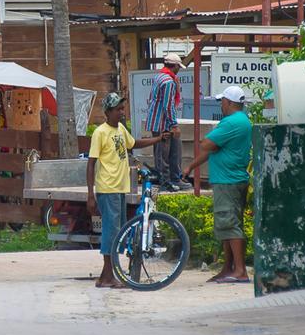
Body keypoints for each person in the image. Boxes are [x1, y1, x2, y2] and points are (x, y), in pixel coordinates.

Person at [86, 93, 169, 288]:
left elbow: (133, 144)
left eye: (122, 109)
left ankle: (105, 277)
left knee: (119, 231)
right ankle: (110, 275)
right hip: (108, 188)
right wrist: (91, 194)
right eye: (118, 109)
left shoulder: (121, 129)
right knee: (111, 232)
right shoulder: (101, 133)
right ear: (107, 112)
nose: (122, 112)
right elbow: (90, 164)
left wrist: (157, 139)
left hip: (120, 187)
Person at [183, 86, 253, 284]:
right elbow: (211, 149)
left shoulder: (231, 122)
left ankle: (240, 270)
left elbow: (205, 144)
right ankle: (227, 268)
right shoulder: (242, 121)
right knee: (226, 225)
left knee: (229, 224)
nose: (220, 104)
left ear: (229, 103)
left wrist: (203, 140)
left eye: (222, 101)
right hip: (231, 179)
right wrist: (190, 167)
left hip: (228, 180)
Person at [145, 51, 189, 191]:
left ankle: (173, 178)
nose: (178, 71)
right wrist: (174, 125)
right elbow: (168, 105)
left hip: (158, 121)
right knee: (164, 154)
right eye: (178, 67)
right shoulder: (169, 81)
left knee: (170, 150)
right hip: (163, 123)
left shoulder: (160, 76)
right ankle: (166, 181)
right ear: (174, 66)